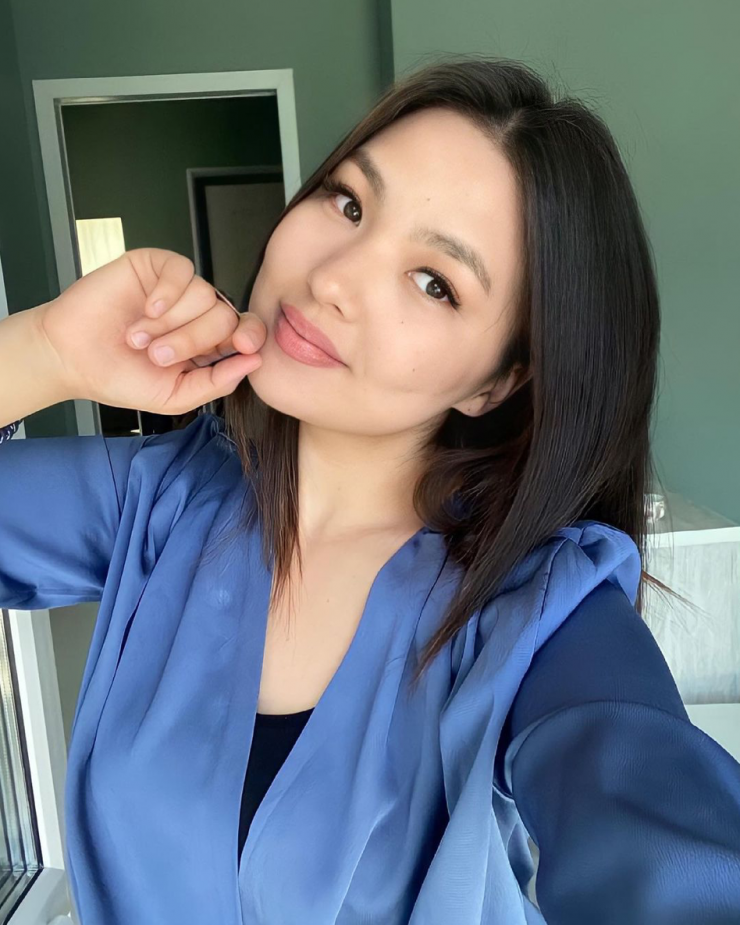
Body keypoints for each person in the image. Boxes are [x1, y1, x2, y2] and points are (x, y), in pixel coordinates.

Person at [2, 56, 739, 925]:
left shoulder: (534, 609)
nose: (333, 279)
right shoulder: (159, 502)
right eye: (349, 203)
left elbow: (661, 844)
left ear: (496, 383)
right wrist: (47, 352)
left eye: (435, 283)